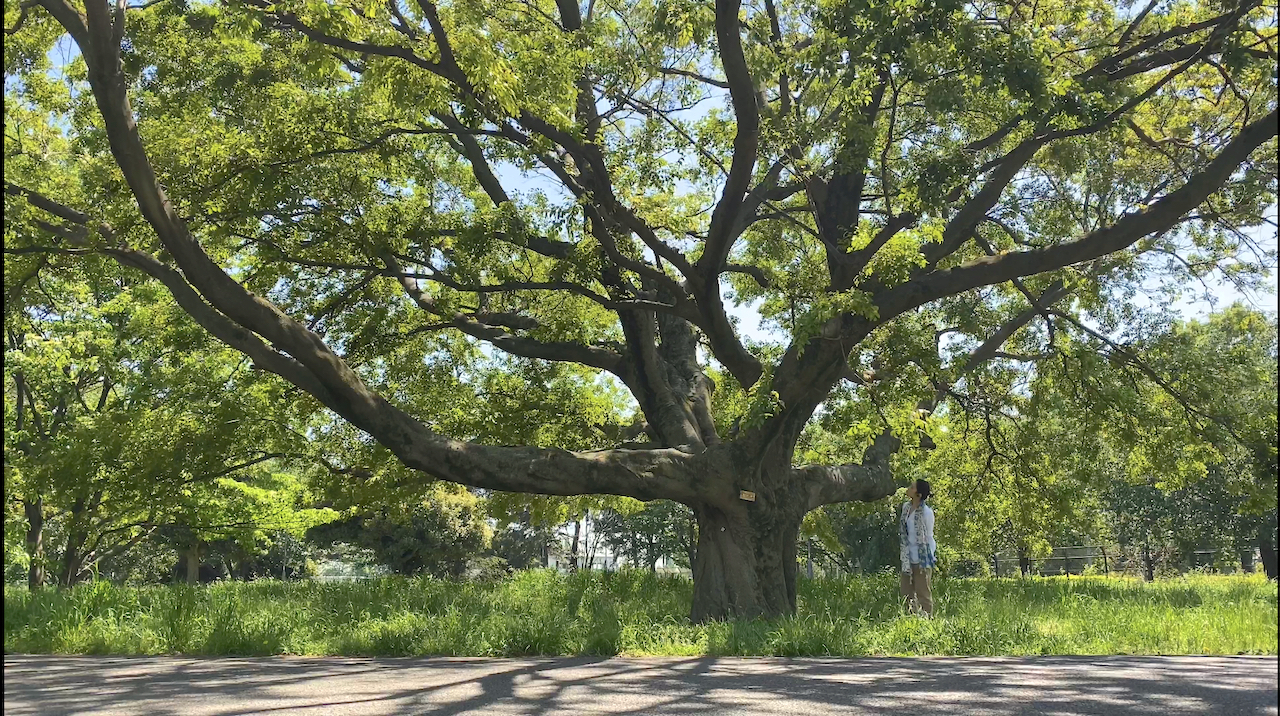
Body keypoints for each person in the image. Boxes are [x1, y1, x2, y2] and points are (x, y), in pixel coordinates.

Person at [899, 478, 937, 617]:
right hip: (907, 557)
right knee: (906, 593)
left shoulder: (927, 513)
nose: (909, 488)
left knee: (923, 593)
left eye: (912, 487)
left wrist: (927, 559)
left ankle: (927, 621)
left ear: (918, 494)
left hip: (922, 559)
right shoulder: (906, 508)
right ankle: (911, 620)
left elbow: (929, 537)